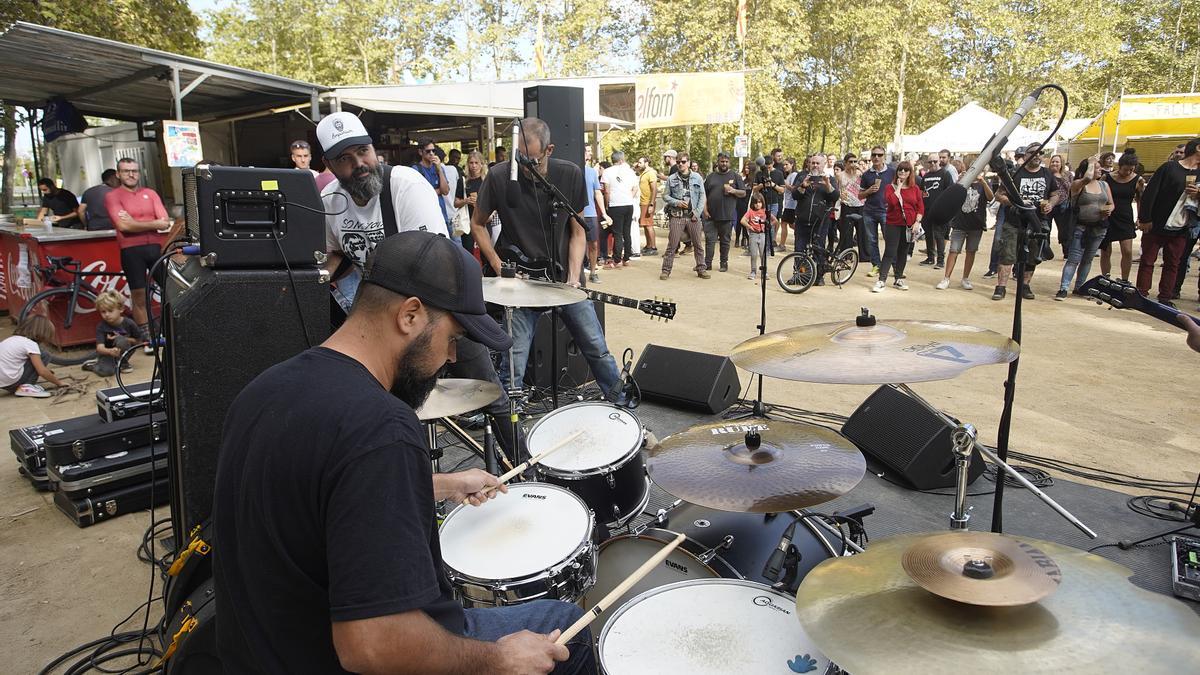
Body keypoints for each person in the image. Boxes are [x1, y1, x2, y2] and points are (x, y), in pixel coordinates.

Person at [213, 231, 593, 674]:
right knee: (565, 625)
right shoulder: (380, 426)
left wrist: (436, 484)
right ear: (410, 314)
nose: (452, 357)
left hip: (267, 651)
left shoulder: (266, 389)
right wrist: (496, 660)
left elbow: (312, 495)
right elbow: (373, 645)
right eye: (452, 337)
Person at [472, 118, 624, 404]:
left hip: (564, 279)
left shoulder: (568, 174)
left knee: (596, 347)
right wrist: (498, 266)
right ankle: (507, 418)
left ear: (549, 150)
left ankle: (621, 402)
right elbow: (477, 224)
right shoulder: (500, 176)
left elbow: (578, 231)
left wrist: (573, 276)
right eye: (517, 158)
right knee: (513, 360)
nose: (521, 167)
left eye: (529, 159)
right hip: (519, 282)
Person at [316, 113, 446, 314]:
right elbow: (338, 255)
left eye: (363, 151)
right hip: (380, 311)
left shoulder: (407, 187)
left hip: (429, 308)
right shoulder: (329, 199)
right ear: (329, 165)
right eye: (344, 158)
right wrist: (309, 284)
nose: (359, 163)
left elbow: (435, 266)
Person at [103, 158, 168, 338]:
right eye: (126, 171)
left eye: (135, 171)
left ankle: (170, 327)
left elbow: (165, 222)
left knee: (171, 290)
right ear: (118, 174)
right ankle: (147, 337)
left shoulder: (150, 193)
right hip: (131, 251)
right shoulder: (112, 196)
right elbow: (124, 227)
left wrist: (134, 222)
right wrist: (152, 223)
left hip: (155, 248)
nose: (131, 174)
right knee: (139, 296)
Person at [991, 142, 1063, 301]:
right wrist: (1016, 202)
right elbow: (999, 195)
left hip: (1038, 221)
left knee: (1033, 256)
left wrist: (1050, 204)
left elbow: (1055, 193)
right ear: (1025, 155)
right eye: (1033, 152)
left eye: (1040, 152)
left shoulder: (1047, 174)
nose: (1037, 155)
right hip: (1014, 221)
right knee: (1007, 254)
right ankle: (1001, 287)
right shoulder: (1015, 173)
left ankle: (1025, 285)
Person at [1136, 137, 1200, 307]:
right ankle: (1141, 295)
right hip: (1157, 223)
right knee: (1147, 261)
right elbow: (1150, 193)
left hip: (1183, 227)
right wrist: (1145, 218)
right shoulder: (1169, 168)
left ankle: (1165, 297)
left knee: (1173, 263)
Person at [1056, 156, 1115, 300]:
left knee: (1087, 259)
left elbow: (1111, 203)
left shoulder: (1104, 185)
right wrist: (1090, 161)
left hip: (1099, 228)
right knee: (1073, 259)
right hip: (1080, 227)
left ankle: (1080, 287)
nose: (1099, 169)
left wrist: (1109, 209)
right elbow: (1087, 178)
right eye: (1097, 167)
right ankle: (1064, 288)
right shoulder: (1079, 184)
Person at [872, 161, 923, 292]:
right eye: (900, 170)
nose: (902, 172)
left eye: (906, 170)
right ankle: (881, 280)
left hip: (909, 225)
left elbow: (920, 207)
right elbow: (892, 202)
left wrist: (917, 222)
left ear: (910, 173)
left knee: (903, 252)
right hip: (893, 224)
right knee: (890, 251)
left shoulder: (915, 188)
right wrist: (899, 187)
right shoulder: (890, 187)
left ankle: (898, 278)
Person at [937, 174, 992, 290]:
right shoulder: (962, 183)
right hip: (959, 223)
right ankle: (946, 278)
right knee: (953, 250)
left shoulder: (983, 184)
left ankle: (965, 278)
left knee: (971, 251)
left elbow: (991, 197)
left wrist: (983, 183)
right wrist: (958, 182)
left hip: (976, 224)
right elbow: (951, 196)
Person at [792, 155, 839, 285]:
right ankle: (800, 276)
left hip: (820, 222)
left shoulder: (830, 179)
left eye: (818, 163)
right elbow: (794, 195)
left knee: (818, 249)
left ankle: (818, 277)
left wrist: (828, 184)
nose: (815, 165)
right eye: (812, 163)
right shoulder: (802, 177)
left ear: (823, 165)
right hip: (802, 220)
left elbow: (835, 196)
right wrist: (803, 186)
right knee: (799, 249)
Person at [660, 156, 709, 280]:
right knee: (672, 244)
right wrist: (677, 202)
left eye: (683, 162)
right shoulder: (672, 178)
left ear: (688, 163)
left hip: (693, 216)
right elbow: (665, 196)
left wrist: (697, 213)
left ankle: (701, 268)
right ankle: (666, 270)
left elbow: (702, 196)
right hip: (677, 216)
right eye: (678, 162)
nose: (680, 164)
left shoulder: (697, 177)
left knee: (698, 244)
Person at [1099, 152, 1145, 283]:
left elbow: (1140, 200)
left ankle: (1125, 279)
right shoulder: (1106, 177)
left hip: (1125, 217)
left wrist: (1140, 217)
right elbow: (1099, 195)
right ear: (1120, 166)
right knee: (1106, 250)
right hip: (1108, 216)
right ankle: (1105, 277)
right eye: (1126, 169)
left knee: (1127, 251)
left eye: (1132, 169)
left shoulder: (1138, 180)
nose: (1128, 172)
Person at [703, 152, 747, 273]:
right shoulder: (711, 177)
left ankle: (723, 263)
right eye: (722, 161)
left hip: (727, 215)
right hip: (711, 215)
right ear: (718, 162)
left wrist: (733, 190)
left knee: (725, 241)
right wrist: (705, 210)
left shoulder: (735, 176)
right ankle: (707, 263)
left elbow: (743, 193)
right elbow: (704, 195)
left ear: (729, 162)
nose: (724, 163)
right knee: (709, 241)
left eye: (726, 161)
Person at [84, 290, 145, 376]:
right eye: (103, 312)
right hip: (107, 354)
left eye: (110, 311)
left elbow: (139, 341)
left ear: (121, 309)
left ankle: (123, 363)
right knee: (107, 372)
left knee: (121, 340)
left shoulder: (129, 323)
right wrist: (110, 351)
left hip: (125, 351)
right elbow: (99, 348)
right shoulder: (101, 326)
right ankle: (93, 365)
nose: (107, 314)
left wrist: (124, 339)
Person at [0, 315, 63, 398]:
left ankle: (21, 386)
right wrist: (59, 383)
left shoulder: (11, 339)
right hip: (12, 381)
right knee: (44, 355)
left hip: (3, 383)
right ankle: (26, 387)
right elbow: (42, 371)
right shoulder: (30, 344)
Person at [859, 146, 893, 276]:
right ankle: (876, 266)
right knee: (872, 241)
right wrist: (869, 191)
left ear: (884, 156)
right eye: (874, 155)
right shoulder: (867, 174)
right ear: (871, 157)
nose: (876, 157)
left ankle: (894, 267)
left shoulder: (891, 172)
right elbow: (860, 195)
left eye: (879, 155)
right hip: (869, 211)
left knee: (890, 239)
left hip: (886, 211)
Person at [601, 151, 638, 269]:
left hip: (615, 204)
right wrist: (629, 197)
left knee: (617, 233)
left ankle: (616, 260)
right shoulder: (630, 171)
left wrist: (607, 204)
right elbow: (635, 188)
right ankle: (626, 257)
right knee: (627, 231)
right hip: (628, 204)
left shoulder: (607, 172)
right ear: (622, 159)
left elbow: (606, 190)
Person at [918, 153, 953, 268]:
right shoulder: (926, 176)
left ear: (939, 162)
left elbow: (950, 192)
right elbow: (922, 191)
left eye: (935, 161)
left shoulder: (945, 174)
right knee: (928, 234)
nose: (932, 163)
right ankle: (930, 258)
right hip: (927, 210)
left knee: (939, 235)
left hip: (940, 210)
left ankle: (940, 260)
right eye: (930, 162)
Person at [412, 140, 452, 236]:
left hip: (441, 214)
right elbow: (420, 195)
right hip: (426, 215)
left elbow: (446, 191)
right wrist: (438, 191)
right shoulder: (416, 169)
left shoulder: (438, 168)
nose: (431, 154)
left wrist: (439, 170)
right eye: (428, 151)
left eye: (433, 151)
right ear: (420, 152)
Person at [581, 146, 607, 283]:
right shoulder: (573, 169)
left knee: (593, 244)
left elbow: (597, 193)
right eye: (588, 151)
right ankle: (577, 272)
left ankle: (592, 272)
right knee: (577, 243)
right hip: (575, 213)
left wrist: (604, 213)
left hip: (591, 214)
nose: (590, 153)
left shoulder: (592, 172)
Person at [454, 150, 487, 252]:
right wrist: (466, 201)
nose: (474, 166)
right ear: (468, 164)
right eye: (471, 163)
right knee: (468, 251)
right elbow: (456, 203)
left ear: (482, 164)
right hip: (468, 221)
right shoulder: (463, 181)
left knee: (485, 251)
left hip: (484, 220)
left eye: (476, 163)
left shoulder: (486, 180)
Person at [837, 154, 865, 256]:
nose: (853, 164)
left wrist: (860, 170)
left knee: (862, 231)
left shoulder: (859, 174)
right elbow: (838, 188)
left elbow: (867, 181)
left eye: (855, 161)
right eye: (850, 162)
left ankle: (864, 255)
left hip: (860, 204)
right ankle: (846, 254)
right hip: (847, 204)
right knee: (846, 231)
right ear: (845, 163)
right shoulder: (840, 175)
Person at [740, 193, 771, 280]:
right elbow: (742, 220)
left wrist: (768, 226)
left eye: (760, 202)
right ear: (753, 203)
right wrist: (750, 226)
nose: (758, 204)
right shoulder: (750, 211)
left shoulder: (765, 211)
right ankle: (753, 271)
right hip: (753, 235)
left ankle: (764, 271)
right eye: (756, 202)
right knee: (753, 254)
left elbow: (774, 220)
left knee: (762, 254)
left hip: (762, 234)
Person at [636, 156, 659, 256]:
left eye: (640, 162)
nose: (638, 164)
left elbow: (654, 189)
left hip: (647, 202)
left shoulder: (651, 173)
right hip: (642, 202)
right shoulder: (643, 173)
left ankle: (653, 247)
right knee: (645, 225)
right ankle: (648, 245)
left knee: (649, 225)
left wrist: (651, 204)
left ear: (646, 163)